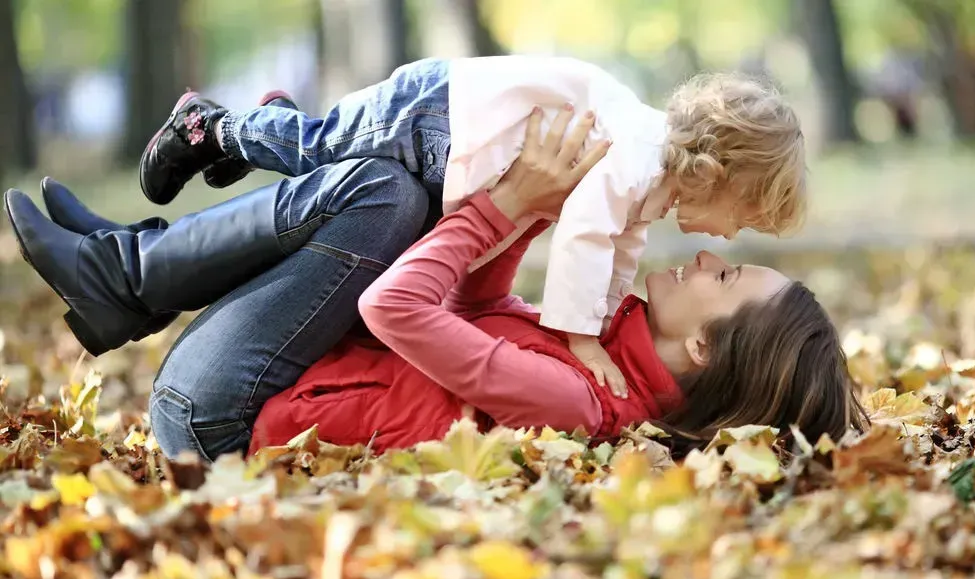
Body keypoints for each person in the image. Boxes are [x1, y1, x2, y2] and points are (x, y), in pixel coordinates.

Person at [136, 55, 806, 401]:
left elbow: (616, 249)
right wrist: (578, 338)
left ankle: (265, 132)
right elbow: (582, 238)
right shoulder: (636, 154)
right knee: (320, 150)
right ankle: (212, 126)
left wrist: (602, 321)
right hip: (440, 114)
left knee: (331, 161)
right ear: (717, 174)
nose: (724, 237)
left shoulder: (650, 183)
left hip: (455, 140)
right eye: (740, 216)